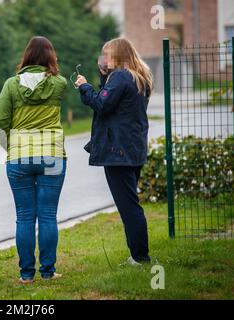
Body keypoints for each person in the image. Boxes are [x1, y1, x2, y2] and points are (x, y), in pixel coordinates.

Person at [0, 36, 68, 283]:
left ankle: (26, 275)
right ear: (50, 57)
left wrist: (10, 148)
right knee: (47, 215)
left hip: (19, 157)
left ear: (26, 56)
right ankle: (48, 272)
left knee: (24, 215)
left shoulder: (11, 85)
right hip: (52, 156)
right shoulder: (59, 83)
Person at [74, 37, 153, 265]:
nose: (104, 58)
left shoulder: (120, 76)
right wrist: (103, 77)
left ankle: (141, 257)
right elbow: (112, 100)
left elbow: (102, 104)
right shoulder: (138, 76)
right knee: (130, 203)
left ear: (118, 54)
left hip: (118, 151)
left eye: (107, 54)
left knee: (129, 207)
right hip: (132, 149)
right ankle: (137, 255)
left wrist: (84, 86)